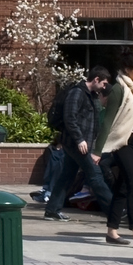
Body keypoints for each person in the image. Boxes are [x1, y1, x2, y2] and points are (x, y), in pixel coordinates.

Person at [97, 51, 133, 247]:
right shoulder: (118, 89)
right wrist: (98, 151)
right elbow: (107, 121)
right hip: (123, 142)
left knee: (123, 186)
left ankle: (112, 231)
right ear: (127, 70)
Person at [42, 68, 115, 221]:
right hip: (77, 143)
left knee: (66, 176)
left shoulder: (93, 96)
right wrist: (79, 139)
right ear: (96, 79)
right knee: (95, 176)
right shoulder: (77, 93)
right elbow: (70, 118)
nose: (104, 87)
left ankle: (52, 209)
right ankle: (114, 210)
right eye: (104, 83)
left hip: (84, 143)